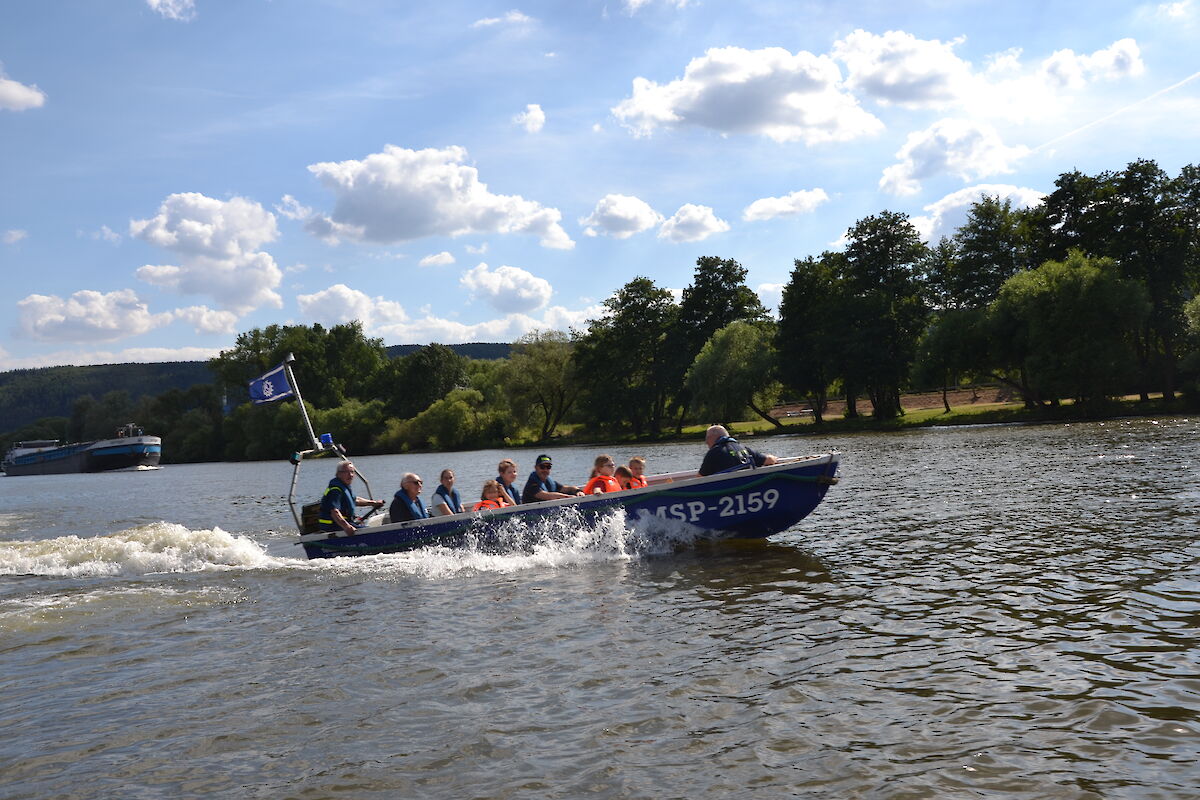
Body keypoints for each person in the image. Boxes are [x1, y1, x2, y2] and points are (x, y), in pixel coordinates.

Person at [318, 461, 385, 536]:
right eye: (346, 472)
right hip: (333, 526)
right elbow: (334, 511)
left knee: (368, 529)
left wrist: (375, 503)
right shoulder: (335, 490)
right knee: (371, 532)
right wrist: (347, 527)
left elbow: (355, 500)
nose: (350, 475)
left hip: (342, 523)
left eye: (352, 472)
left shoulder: (343, 486)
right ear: (338, 474)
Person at [698, 425, 777, 476]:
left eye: (707, 441)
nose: (707, 444)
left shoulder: (714, 453)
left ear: (711, 438)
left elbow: (700, 478)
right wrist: (774, 458)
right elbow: (769, 460)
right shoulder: (743, 448)